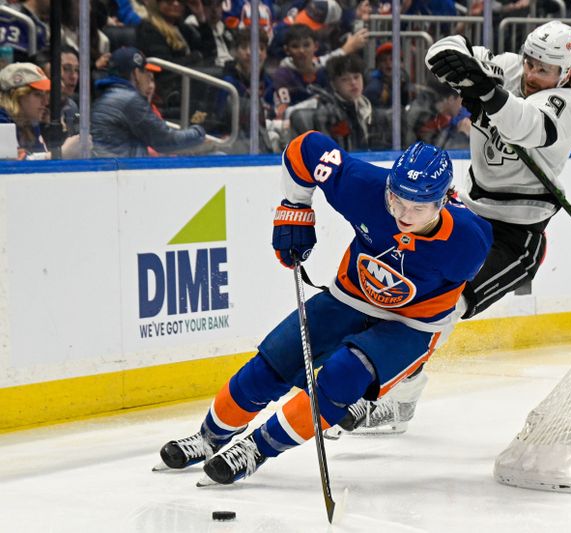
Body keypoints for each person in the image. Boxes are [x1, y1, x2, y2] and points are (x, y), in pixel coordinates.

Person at [153, 134, 493, 485]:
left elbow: (452, 305)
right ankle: (210, 438)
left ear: (444, 201)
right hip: (349, 296)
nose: (403, 214)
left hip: (411, 323)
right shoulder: (365, 187)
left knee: (343, 376)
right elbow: (305, 147)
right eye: (397, 200)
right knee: (274, 362)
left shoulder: (470, 240)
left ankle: (257, 449)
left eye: (418, 208)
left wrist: (407, 362)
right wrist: (295, 207)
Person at [330, 20, 571, 434]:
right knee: (409, 297)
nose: (533, 74)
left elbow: (523, 124)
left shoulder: (565, 105)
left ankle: (391, 397)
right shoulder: (508, 69)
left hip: (513, 237)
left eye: (545, 69)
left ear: (567, 73)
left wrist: (485, 91)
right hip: (465, 217)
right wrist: (463, 66)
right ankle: (397, 394)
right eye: (531, 63)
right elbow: (443, 50)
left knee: (444, 308)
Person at [91, 46, 208, 158]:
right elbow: (165, 141)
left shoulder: (106, 97)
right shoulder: (130, 100)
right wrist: (199, 132)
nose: (148, 78)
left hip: (108, 170)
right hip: (118, 172)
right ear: (136, 74)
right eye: (145, 72)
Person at [0, 62, 81, 160]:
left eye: (45, 94)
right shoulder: (2, 119)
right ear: (16, 96)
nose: (45, 102)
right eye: (38, 95)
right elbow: (9, 163)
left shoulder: (31, 122)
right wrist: (59, 154)